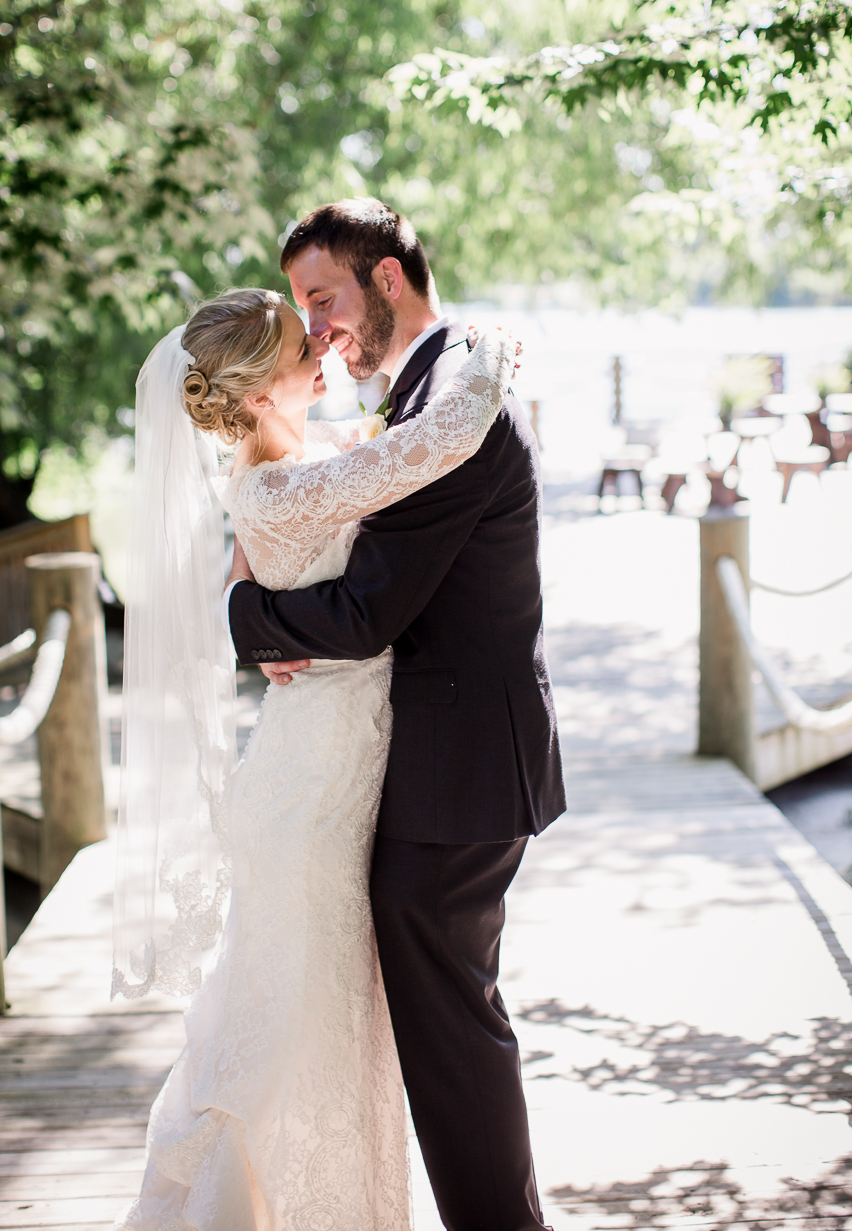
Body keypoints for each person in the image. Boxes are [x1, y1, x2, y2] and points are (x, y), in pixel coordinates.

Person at [112, 281, 520, 1230]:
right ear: (258, 395)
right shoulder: (290, 486)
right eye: (304, 351)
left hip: (321, 779)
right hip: (313, 800)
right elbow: (440, 440)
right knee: (299, 1036)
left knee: (330, 1036)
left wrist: (238, 603)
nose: (326, 352)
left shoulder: (289, 468)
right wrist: (490, 343)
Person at [226, 199, 565, 1231]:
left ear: (385, 278)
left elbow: (371, 607)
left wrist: (248, 612)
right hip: (442, 758)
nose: (316, 329)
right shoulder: (433, 389)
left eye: (322, 299)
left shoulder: (450, 411)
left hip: (456, 769)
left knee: (453, 1033)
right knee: (450, 1023)